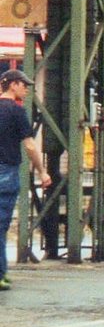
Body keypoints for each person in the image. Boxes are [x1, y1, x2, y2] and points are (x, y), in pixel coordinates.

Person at [0, 70, 50, 290]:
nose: (27, 88)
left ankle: (2, 269)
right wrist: (43, 171)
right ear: (12, 85)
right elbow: (29, 145)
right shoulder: (17, 111)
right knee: (1, 224)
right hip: (7, 171)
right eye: (24, 84)